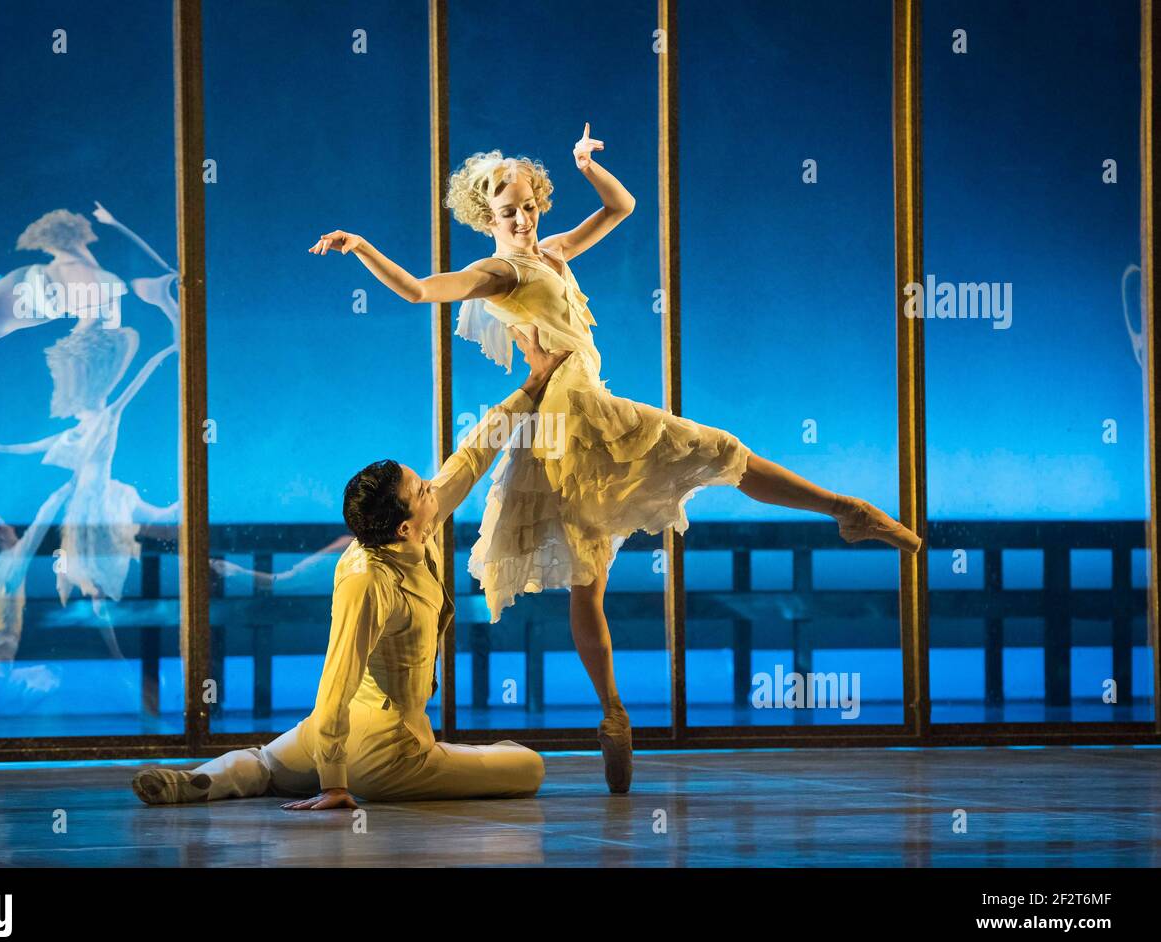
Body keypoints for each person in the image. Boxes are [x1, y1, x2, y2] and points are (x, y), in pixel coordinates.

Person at [304, 123, 922, 795]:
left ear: (539, 202)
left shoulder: (555, 252)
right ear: (488, 217)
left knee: (717, 454)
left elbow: (623, 208)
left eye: (529, 205)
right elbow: (422, 291)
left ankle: (844, 511)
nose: (522, 219)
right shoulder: (498, 271)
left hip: (589, 418)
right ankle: (614, 712)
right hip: (565, 430)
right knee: (593, 577)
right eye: (507, 212)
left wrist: (586, 164)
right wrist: (361, 245)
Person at [132, 327, 570, 809]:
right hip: (387, 755)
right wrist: (336, 784)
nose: (432, 487)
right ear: (404, 526)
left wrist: (533, 384)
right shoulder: (368, 577)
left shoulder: (412, 528)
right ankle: (394, 765)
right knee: (527, 765)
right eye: (422, 489)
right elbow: (336, 678)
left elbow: (471, 454)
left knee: (265, 763)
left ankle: (198, 782)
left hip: (336, 730)